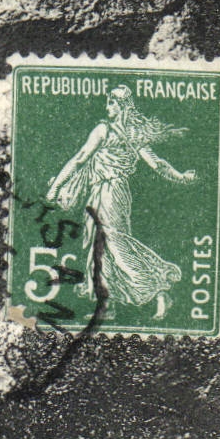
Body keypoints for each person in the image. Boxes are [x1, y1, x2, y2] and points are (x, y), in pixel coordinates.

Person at [44, 84, 196, 319]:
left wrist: (55, 188)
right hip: (110, 193)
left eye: (112, 103)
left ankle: (158, 288)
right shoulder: (134, 135)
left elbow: (80, 159)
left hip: (109, 193)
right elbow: (158, 165)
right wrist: (181, 177)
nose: (107, 107)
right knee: (101, 249)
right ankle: (108, 304)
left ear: (123, 106)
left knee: (114, 245)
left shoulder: (104, 130)